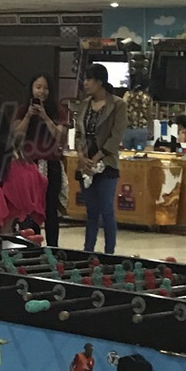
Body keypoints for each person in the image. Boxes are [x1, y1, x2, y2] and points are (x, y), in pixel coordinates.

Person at [74, 63, 127, 255]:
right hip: (86, 164)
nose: (85, 83)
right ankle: (88, 251)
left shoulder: (118, 105)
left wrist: (97, 157)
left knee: (106, 210)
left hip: (106, 163)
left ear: (100, 82)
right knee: (91, 212)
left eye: (89, 79)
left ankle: (109, 252)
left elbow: (116, 135)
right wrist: (81, 156)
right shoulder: (84, 105)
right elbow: (78, 134)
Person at [15, 74, 67, 246]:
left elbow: (60, 138)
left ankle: (53, 247)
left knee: (51, 209)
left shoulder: (57, 110)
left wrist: (45, 116)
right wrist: (28, 117)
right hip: (29, 166)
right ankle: (33, 247)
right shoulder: (22, 110)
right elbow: (16, 137)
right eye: (38, 87)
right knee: (30, 209)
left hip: (51, 164)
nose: (41, 91)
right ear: (31, 89)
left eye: (45, 88)